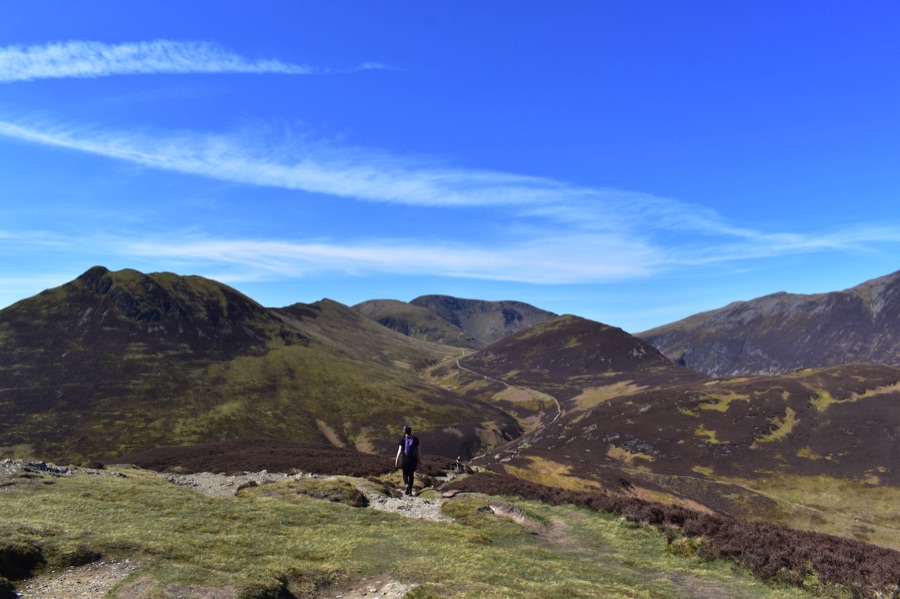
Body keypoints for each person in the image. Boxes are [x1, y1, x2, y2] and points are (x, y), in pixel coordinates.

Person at [394, 425, 419, 496]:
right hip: (414, 459)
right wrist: (420, 459)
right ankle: (410, 491)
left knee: (405, 474)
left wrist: (396, 460)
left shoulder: (402, 440)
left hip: (405, 460)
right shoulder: (415, 439)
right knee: (411, 475)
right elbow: (418, 451)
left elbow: (399, 451)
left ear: (404, 431)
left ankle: (406, 485)